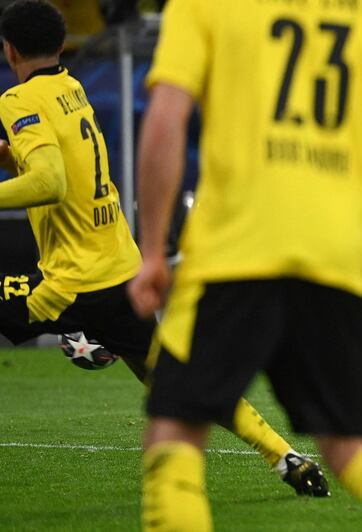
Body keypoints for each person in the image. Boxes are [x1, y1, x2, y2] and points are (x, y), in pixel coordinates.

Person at [127, 0, 362, 530]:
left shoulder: (205, 8)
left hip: (229, 259)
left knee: (175, 438)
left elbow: (166, 119)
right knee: (354, 450)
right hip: (331, 266)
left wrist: (151, 253)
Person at [0, 0, 328, 498]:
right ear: (62, 45)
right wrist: (14, 159)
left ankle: (86, 338)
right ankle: (286, 457)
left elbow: (50, 181)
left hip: (72, 283)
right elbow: (59, 167)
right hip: (119, 272)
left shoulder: (18, 101)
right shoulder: (71, 89)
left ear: (9, 50)